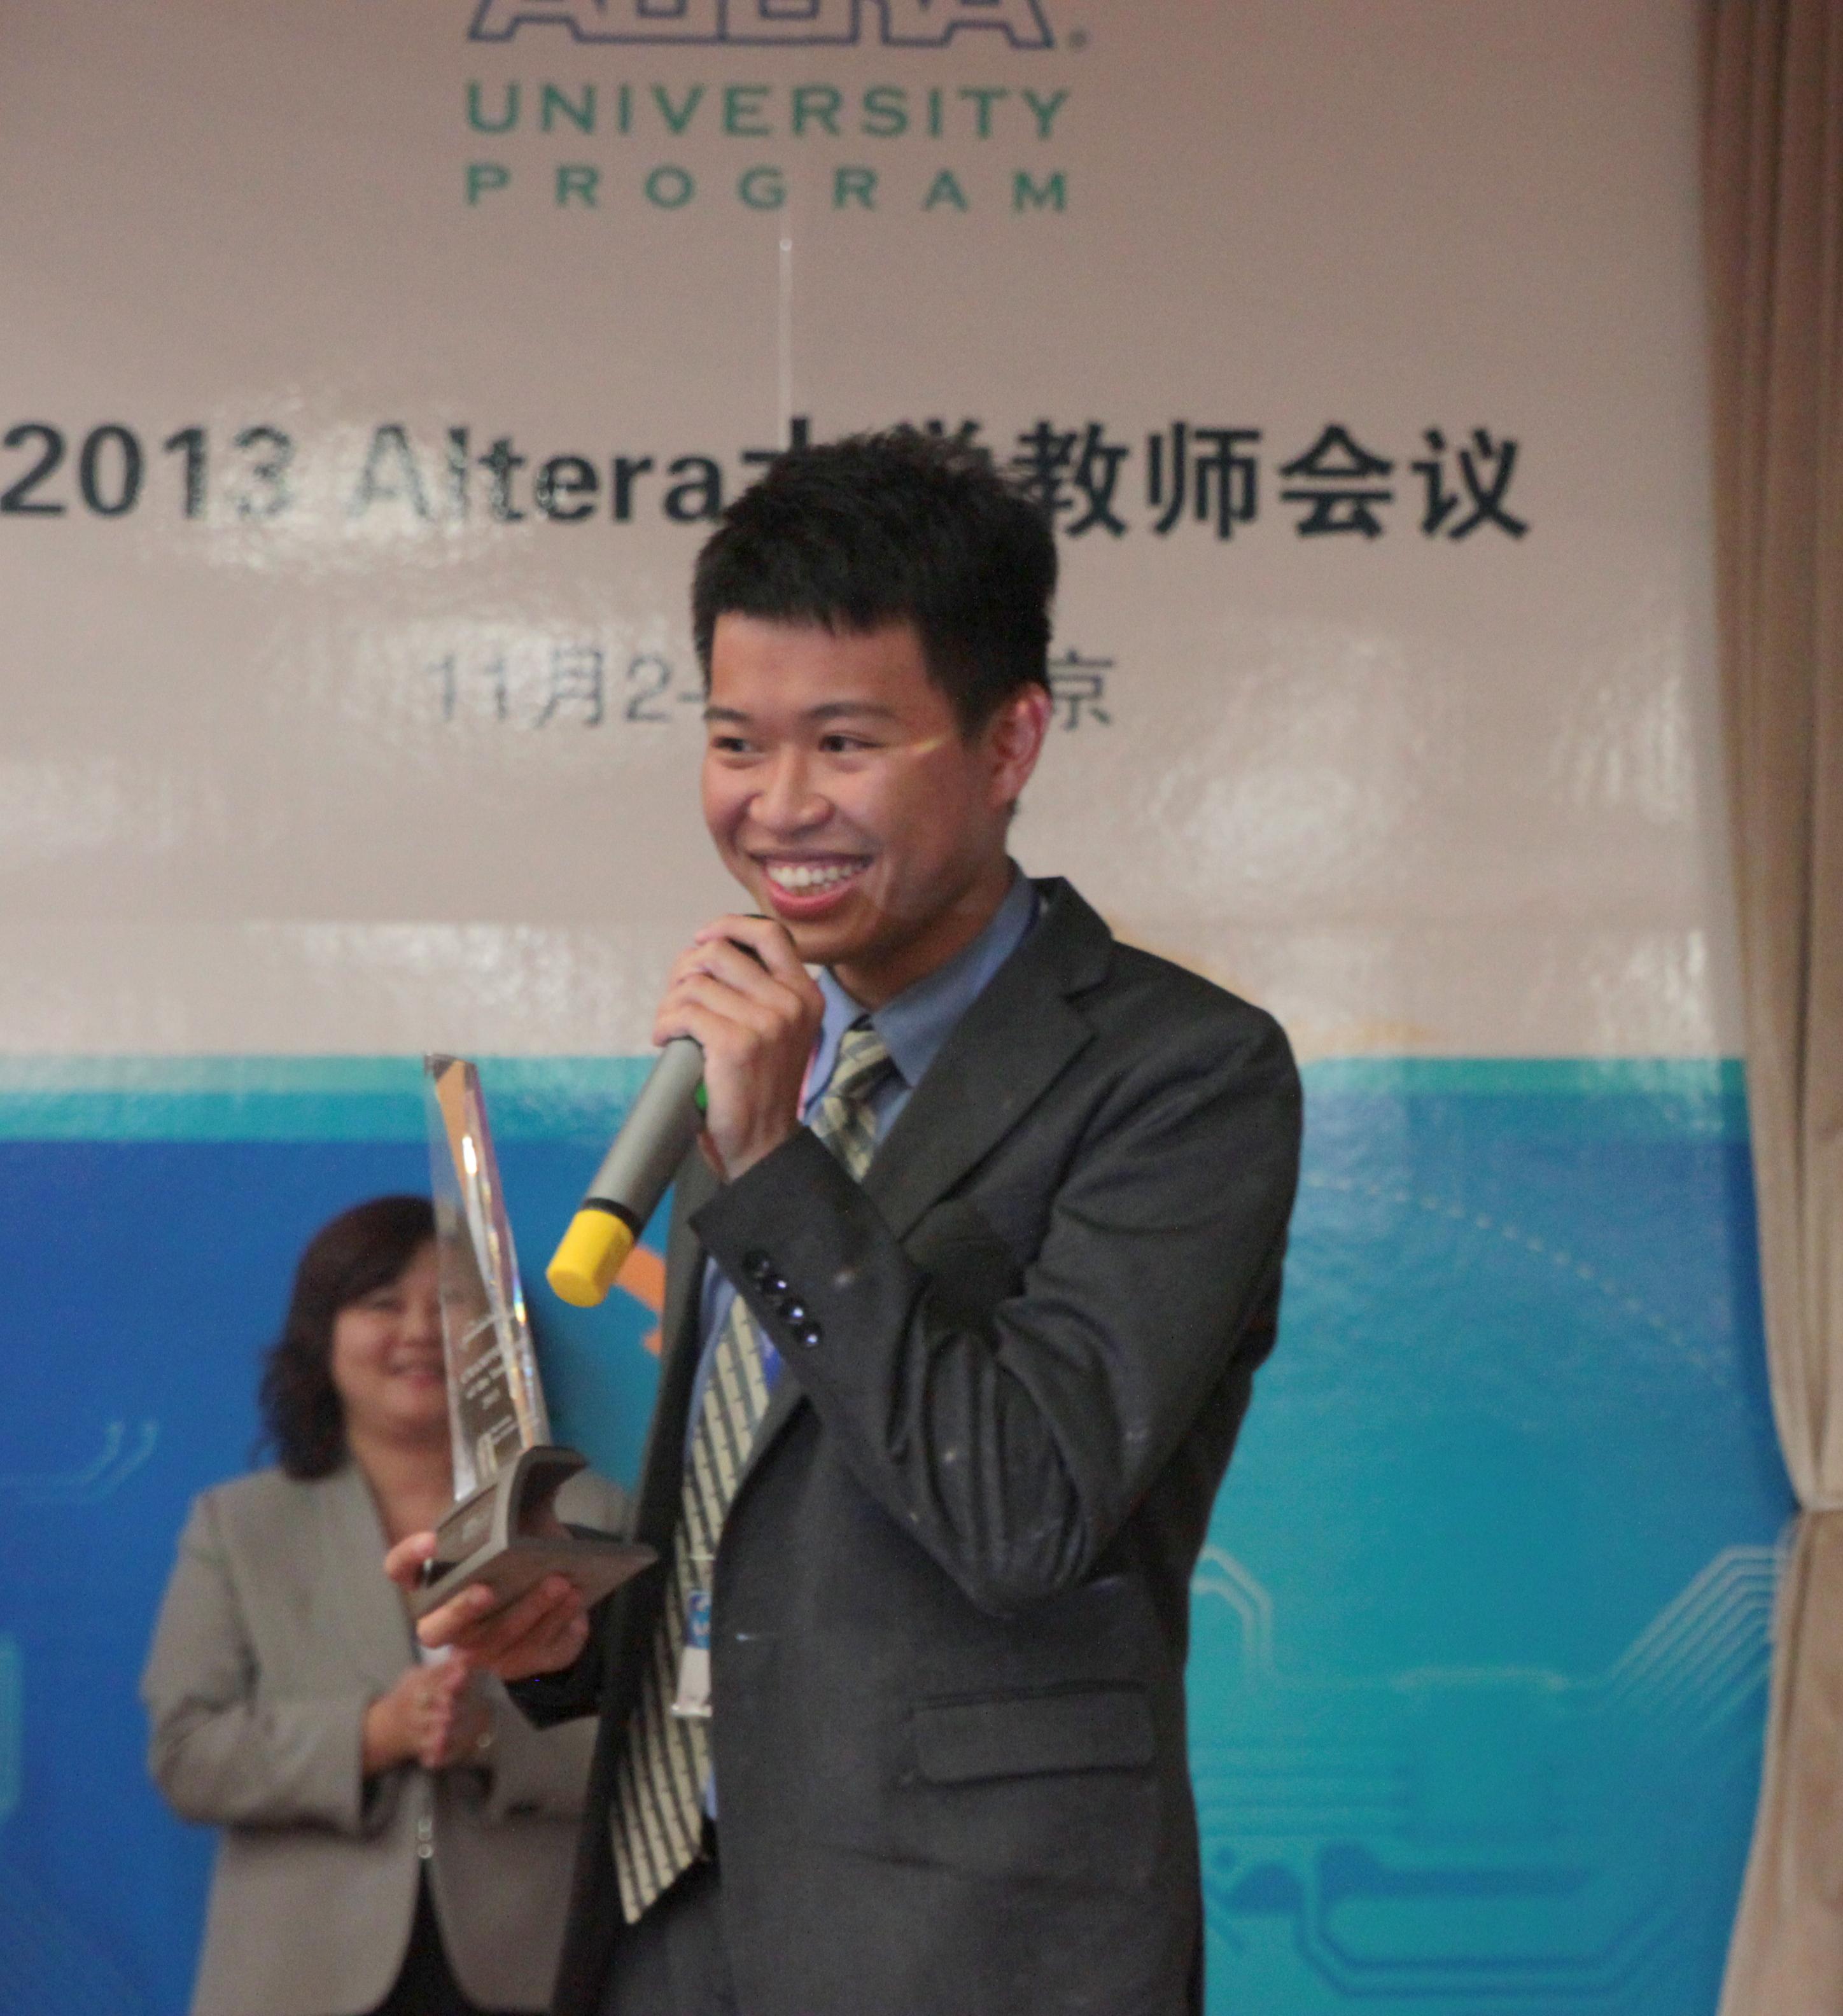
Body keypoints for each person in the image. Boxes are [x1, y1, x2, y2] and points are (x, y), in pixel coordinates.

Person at [393, 427, 1304, 2015]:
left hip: (972, 1951)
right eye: (736, 743)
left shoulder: (1182, 1075)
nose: (780, 806)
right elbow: (774, 1531)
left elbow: (1021, 1514)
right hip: (670, 1917)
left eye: (845, 744)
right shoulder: (763, 1052)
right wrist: (570, 1633)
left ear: (1011, 741)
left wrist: (772, 1167)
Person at [144, 1194, 621, 2016]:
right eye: (381, 1303)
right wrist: (373, 1734)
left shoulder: (590, 1517)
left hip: (541, 1965)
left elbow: (657, 1756)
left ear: (502, 1338)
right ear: (321, 1337)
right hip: (298, 1976)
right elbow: (187, 1755)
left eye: (451, 1302)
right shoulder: (240, 1526)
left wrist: (490, 1739)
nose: (420, 1331)